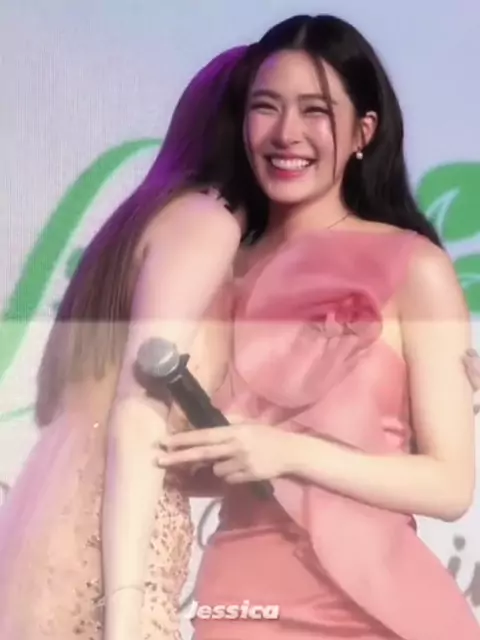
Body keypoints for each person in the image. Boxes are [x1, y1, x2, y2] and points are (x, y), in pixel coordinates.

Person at [158, 15, 480, 640]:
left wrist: (289, 452)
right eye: (266, 107)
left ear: (364, 132)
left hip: (382, 607)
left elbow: (449, 485)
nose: (287, 133)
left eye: (316, 111)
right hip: (242, 601)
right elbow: (187, 462)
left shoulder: (414, 267)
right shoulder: (216, 265)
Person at [0, 46, 250, 640]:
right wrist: (126, 612)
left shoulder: (141, 221)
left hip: (61, 517)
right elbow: (138, 418)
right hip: (114, 543)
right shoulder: (206, 224)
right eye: (270, 106)